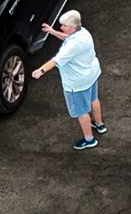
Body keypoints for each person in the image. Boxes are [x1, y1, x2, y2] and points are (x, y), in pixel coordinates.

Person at [32, 10, 104, 150]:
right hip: (91, 74)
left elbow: (56, 60)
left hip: (77, 83)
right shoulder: (83, 32)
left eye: (64, 26)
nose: (61, 28)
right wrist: (52, 32)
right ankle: (100, 125)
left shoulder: (71, 47)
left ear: (72, 27)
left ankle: (89, 139)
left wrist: (40, 70)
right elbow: (68, 38)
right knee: (94, 99)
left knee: (82, 113)